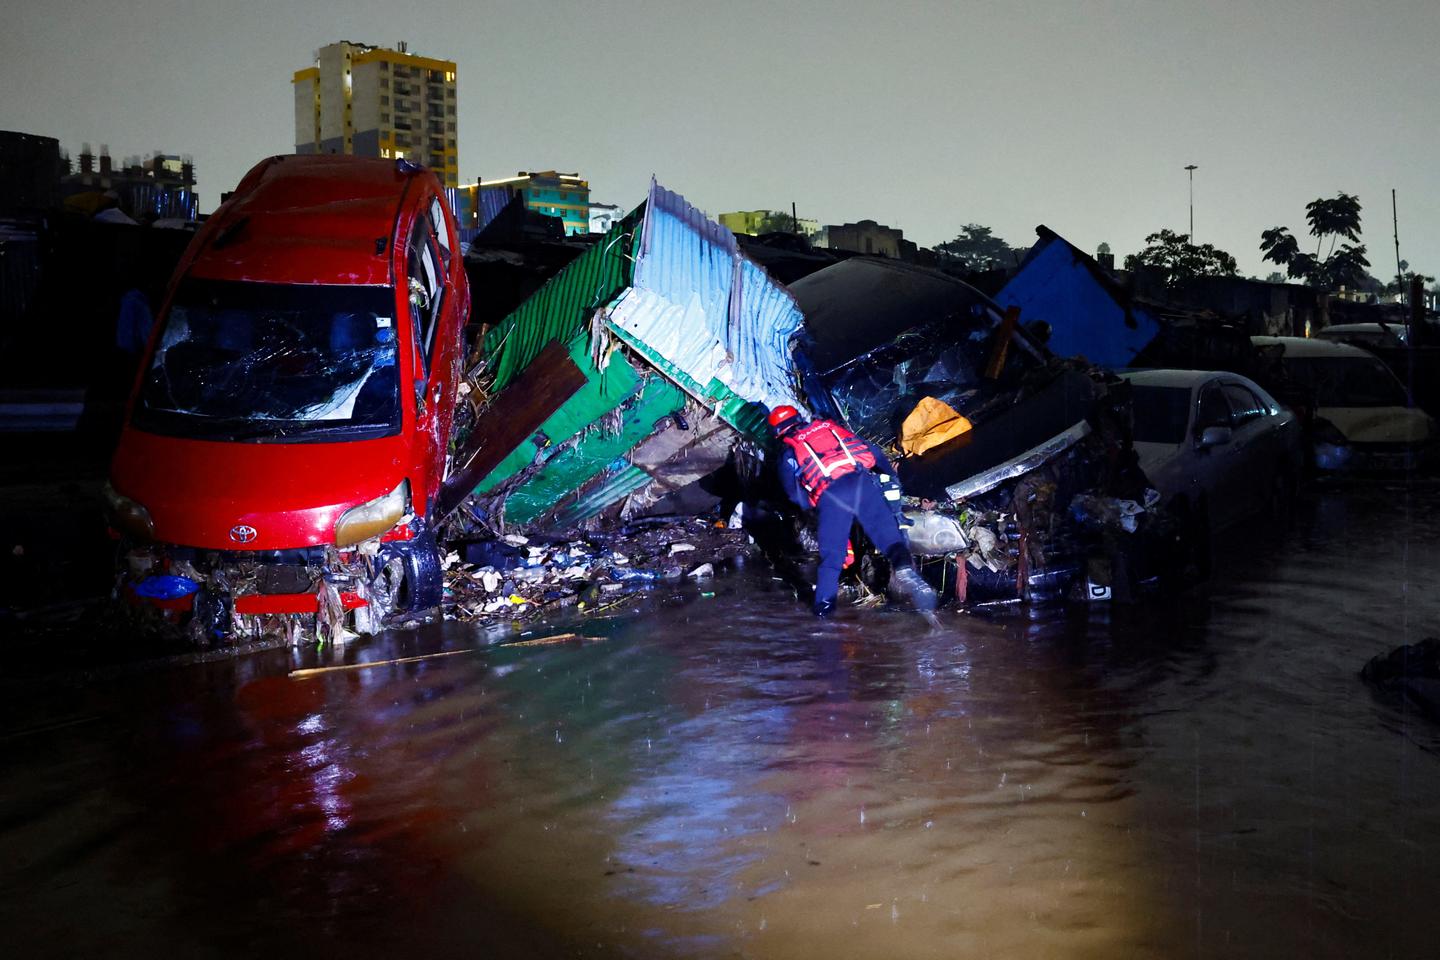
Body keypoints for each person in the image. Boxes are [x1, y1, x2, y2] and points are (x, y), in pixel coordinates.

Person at [769, 405, 938, 617]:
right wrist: (891, 478)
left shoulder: (789, 451)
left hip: (832, 496)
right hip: (862, 482)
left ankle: (824, 617)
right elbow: (873, 452)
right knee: (891, 541)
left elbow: (794, 494)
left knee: (831, 561)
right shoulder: (828, 428)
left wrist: (813, 508)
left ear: (777, 431)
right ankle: (903, 568)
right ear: (798, 418)